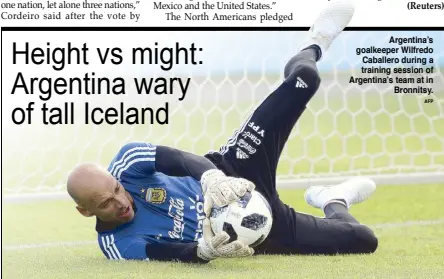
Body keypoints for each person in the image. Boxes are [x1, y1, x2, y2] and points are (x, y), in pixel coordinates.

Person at [66, 0, 378, 263]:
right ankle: (334, 199)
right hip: (259, 229)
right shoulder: (116, 245)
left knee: (305, 79)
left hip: (234, 169)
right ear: (84, 212)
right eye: (105, 203)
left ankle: (314, 43)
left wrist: (213, 179)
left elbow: (179, 159)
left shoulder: (128, 163)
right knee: (363, 240)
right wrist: (203, 250)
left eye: (116, 190)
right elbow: (167, 252)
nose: (120, 201)